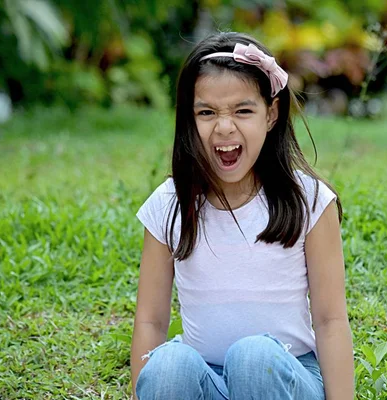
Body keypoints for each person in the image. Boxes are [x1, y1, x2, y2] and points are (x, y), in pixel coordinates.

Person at [130, 31, 354, 400]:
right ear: (190, 119)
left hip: (287, 375)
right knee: (169, 365)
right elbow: (151, 321)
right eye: (207, 112)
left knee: (253, 358)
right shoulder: (169, 204)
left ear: (271, 114)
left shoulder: (309, 201)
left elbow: (330, 322)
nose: (224, 127)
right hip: (207, 381)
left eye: (242, 110)